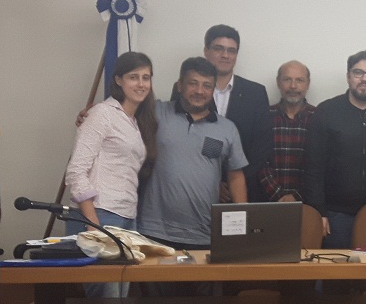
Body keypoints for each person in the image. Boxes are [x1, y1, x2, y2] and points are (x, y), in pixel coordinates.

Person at [64, 52, 157, 298]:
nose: (141, 84)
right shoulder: (102, 114)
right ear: (118, 80)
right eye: (133, 77)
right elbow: (76, 171)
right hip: (98, 215)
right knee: (106, 296)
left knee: (120, 296)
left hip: (127, 218)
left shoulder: (135, 121)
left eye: (146, 77)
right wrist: (93, 224)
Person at [137, 57, 248, 249]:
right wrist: (91, 114)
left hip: (203, 234)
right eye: (193, 83)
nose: (199, 91)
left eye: (207, 86)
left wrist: (241, 225)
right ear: (180, 86)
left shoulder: (227, 129)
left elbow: (236, 177)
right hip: (153, 231)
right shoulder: (156, 112)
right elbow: (120, 113)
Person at [305, 50, 366, 249]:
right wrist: (318, 212)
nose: (364, 79)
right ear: (348, 76)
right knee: (337, 268)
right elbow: (313, 166)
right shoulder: (326, 111)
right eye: (358, 72)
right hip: (335, 215)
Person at [171, 25, 271, 202]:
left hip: (244, 189)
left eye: (231, 51)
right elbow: (179, 138)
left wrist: (234, 181)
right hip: (194, 189)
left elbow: (261, 148)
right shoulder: (188, 89)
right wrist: (213, 182)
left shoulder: (256, 93)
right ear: (206, 51)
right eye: (218, 49)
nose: (225, 55)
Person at [258, 60, 316, 202]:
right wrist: (279, 195)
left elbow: (321, 165)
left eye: (299, 80)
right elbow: (258, 161)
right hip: (267, 201)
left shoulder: (319, 118)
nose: (293, 86)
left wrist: (297, 196)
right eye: (287, 79)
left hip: (308, 202)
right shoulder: (264, 116)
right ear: (278, 82)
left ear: (308, 84)